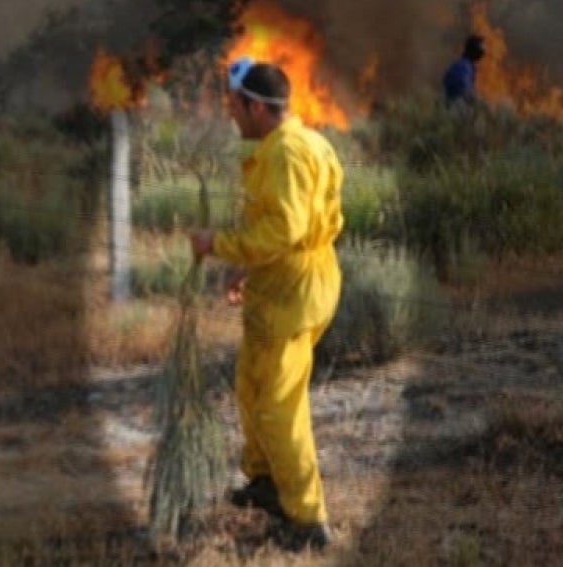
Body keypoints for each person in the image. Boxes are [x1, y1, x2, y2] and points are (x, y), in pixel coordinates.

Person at [189, 57, 344, 552]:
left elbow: (284, 231)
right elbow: (279, 228)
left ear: (255, 106)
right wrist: (246, 269)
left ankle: (307, 518)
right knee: (252, 383)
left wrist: (219, 246)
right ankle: (264, 483)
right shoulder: (291, 144)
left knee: (279, 405)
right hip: (279, 281)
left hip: (295, 290)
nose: (230, 113)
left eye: (234, 105)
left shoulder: (287, 153)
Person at [443, 34, 486, 107]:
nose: (484, 50)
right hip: (455, 107)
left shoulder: (466, 66)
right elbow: (464, 91)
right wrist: (480, 103)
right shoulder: (463, 67)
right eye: (481, 47)